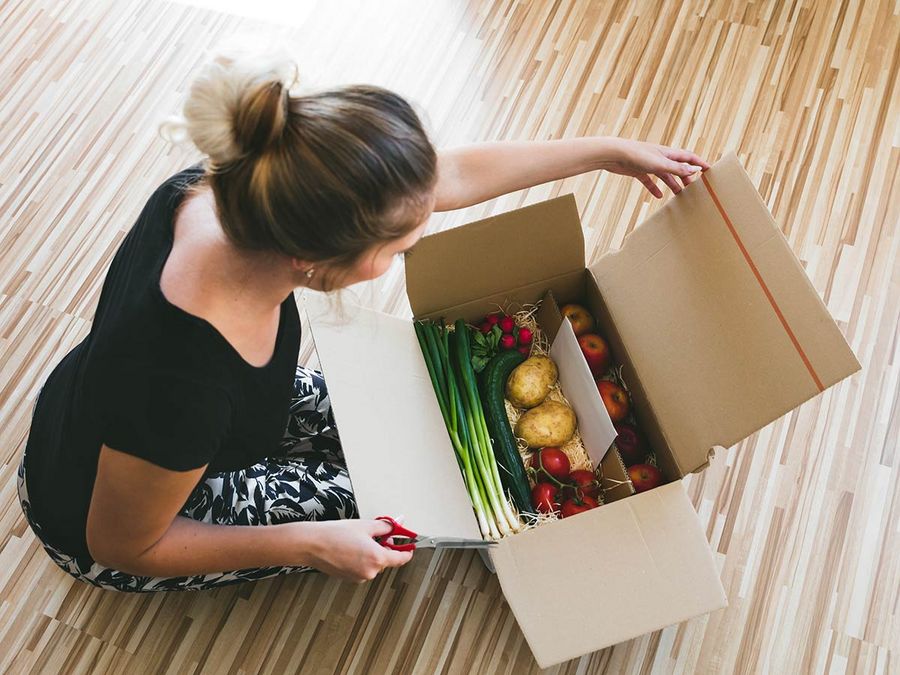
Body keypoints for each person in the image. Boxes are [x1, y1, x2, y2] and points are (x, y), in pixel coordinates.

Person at [17, 45, 710, 592]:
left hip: (140, 424)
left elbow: (451, 178)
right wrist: (313, 543)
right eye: (400, 247)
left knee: (417, 436)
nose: (417, 238)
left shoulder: (233, 189)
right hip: (107, 522)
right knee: (397, 508)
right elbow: (124, 543)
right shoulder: (180, 382)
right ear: (315, 261)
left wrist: (608, 151)